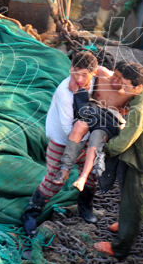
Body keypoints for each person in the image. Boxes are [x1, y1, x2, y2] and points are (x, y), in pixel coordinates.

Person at [92, 61, 143, 259]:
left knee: (134, 204)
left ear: (138, 87)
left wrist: (102, 150)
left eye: (126, 86)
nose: (122, 89)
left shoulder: (140, 110)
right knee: (129, 198)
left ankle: (120, 248)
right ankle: (125, 224)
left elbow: (122, 144)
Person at [21, 51, 101, 235]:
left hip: (88, 138)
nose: (79, 79)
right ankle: (31, 212)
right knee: (55, 179)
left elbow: (105, 72)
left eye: (84, 74)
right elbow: (67, 128)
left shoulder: (99, 80)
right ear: (70, 69)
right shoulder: (64, 92)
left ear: (93, 73)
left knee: (91, 175)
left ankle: (85, 207)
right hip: (63, 140)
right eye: (75, 73)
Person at [53, 62, 132, 192]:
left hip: (106, 124)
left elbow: (130, 109)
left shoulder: (128, 94)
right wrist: (73, 79)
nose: (114, 80)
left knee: (96, 137)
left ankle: (83, 178)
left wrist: (123, 113)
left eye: (120, 79)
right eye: (115, 75)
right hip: (91, 115)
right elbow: (79, 65)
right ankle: (64, 169)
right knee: (79, 125)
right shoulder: (102, 73)